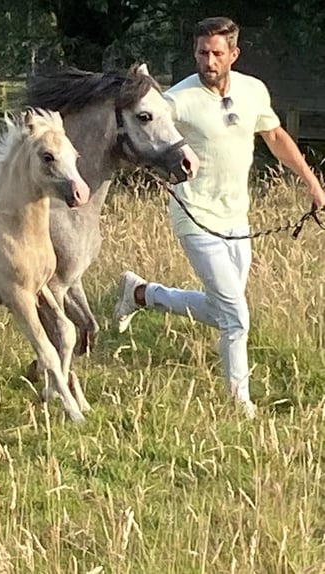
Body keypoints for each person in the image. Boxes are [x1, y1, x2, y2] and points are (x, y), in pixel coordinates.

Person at [113, 16, 325, 418]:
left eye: (216, 53)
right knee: (236, 316)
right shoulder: (178, 99)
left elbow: (275, 136)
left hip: (237, 218)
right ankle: (239, 402)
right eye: (201, 52)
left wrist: (311, 182)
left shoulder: (252, 91)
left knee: (221, 309)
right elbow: (147, 127)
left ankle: (141, 294)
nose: (208, 61)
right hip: (195, 217)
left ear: (233, 54)